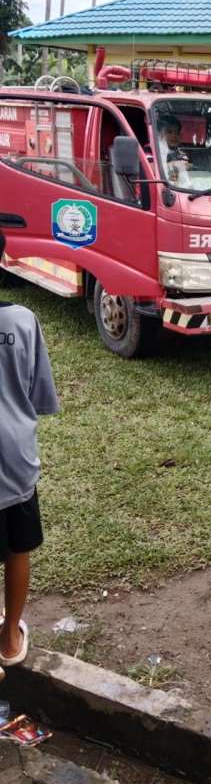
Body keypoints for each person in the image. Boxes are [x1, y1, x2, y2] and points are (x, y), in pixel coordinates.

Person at [0, 230, 59, 679]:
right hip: (14, 462)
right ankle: (9, 641)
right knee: (18, 549)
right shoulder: (21, 321)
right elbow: (39, 396)